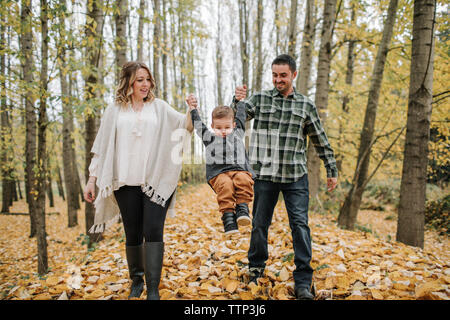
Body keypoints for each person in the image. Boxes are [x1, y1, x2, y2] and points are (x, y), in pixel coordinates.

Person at [83, 61, 193, 300]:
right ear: (129, 82)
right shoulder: (114, 111)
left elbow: (185, 126)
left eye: (148, 79)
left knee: (154, 230)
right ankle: (137, 281)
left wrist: (191, 110)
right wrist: (92, 180)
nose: (146, 84)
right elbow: (101, 148)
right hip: (124, 182)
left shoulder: (160, 108)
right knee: (133, 233)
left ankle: (153, 288)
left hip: (154, 183)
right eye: (140, 80)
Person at [233, 54, 338, 300]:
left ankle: (303, 281)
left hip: (295, 176)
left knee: (300, 226)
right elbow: (236, 121)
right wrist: (237, 100)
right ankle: (256, 271)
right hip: (265, 175)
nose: (278, 80)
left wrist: (330, 168)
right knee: (259, 225)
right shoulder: (259, 99)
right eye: (275, 75)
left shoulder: (305, 105)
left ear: (294, 75)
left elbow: (319, 139)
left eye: (283, 75)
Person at [186, 94, 254, 235]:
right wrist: (193, 109)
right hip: (219, 174)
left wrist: (240, 102)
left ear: (233, 125)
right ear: (212, 127)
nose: (223, 131)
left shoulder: (238, 133)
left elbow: (241, 116)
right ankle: (228, 219)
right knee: (226, 186)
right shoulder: (209, 138)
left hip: (239, 170)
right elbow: (198, 126)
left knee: (243, 179)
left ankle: (242, 208)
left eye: (227, 127)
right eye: (218, 128)